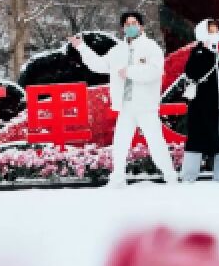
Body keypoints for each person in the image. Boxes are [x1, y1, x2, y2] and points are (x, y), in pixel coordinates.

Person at [70, 11, 179, 186]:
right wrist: (82, 47)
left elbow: (155, 72)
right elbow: (100, 65)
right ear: (123, 28)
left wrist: (130, 72)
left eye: (134, 23)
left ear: (141, 26)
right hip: (126, 106)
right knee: (120, 144)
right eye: (127, 24)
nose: (130, 27)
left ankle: (170, 177)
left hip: (145, 105)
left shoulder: (151, 47)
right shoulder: (118, 50)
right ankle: (118, 178)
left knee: (156, 142)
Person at [181, 19, 219, 183]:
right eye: (211, 31)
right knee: (196, 139)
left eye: (215, 31)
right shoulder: (198, 53)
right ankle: (188, 176)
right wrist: (206, 51)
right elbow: (191, 73)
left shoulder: (218, 55)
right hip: (201, 107)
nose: (215, 34)